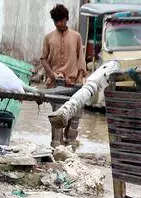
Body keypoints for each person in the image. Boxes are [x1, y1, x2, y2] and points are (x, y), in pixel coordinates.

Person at [41, 4, 86, 148]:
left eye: (61, 20)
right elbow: (43, 58)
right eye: (56, 21)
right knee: (57, 116)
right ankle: (56, 146)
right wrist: (52, 74)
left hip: (73, 83)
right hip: (56, 84)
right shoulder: (48, 37)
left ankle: (71, 145)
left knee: (75, 117)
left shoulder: (76, 36)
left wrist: (80, 77)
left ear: (66, 19)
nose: (59, 24)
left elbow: (81, 58)